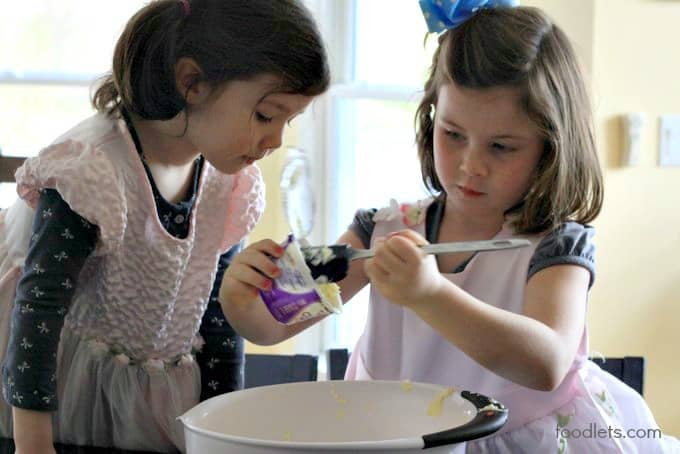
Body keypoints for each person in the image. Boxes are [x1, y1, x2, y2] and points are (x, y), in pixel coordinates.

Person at [219, 1, 680, 452]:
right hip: (397, 437)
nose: (470, 166)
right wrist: (242, 299)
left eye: (501, 146)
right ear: (430, 118)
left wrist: (430, 294)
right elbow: (274, 325)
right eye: (453, 135)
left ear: (550, 147)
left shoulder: (556, 245)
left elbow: (547, 363)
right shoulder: (377, 232)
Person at [0, 0, 329, 452]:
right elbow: (37, 310)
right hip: (49, 404)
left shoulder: (227, 182)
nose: (275, 141)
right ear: (191, 82)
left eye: (287, 122)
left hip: (146, 405)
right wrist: (33, 446)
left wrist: (223, 428)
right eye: (266, 116)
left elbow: (218, 317)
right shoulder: (91, 171)